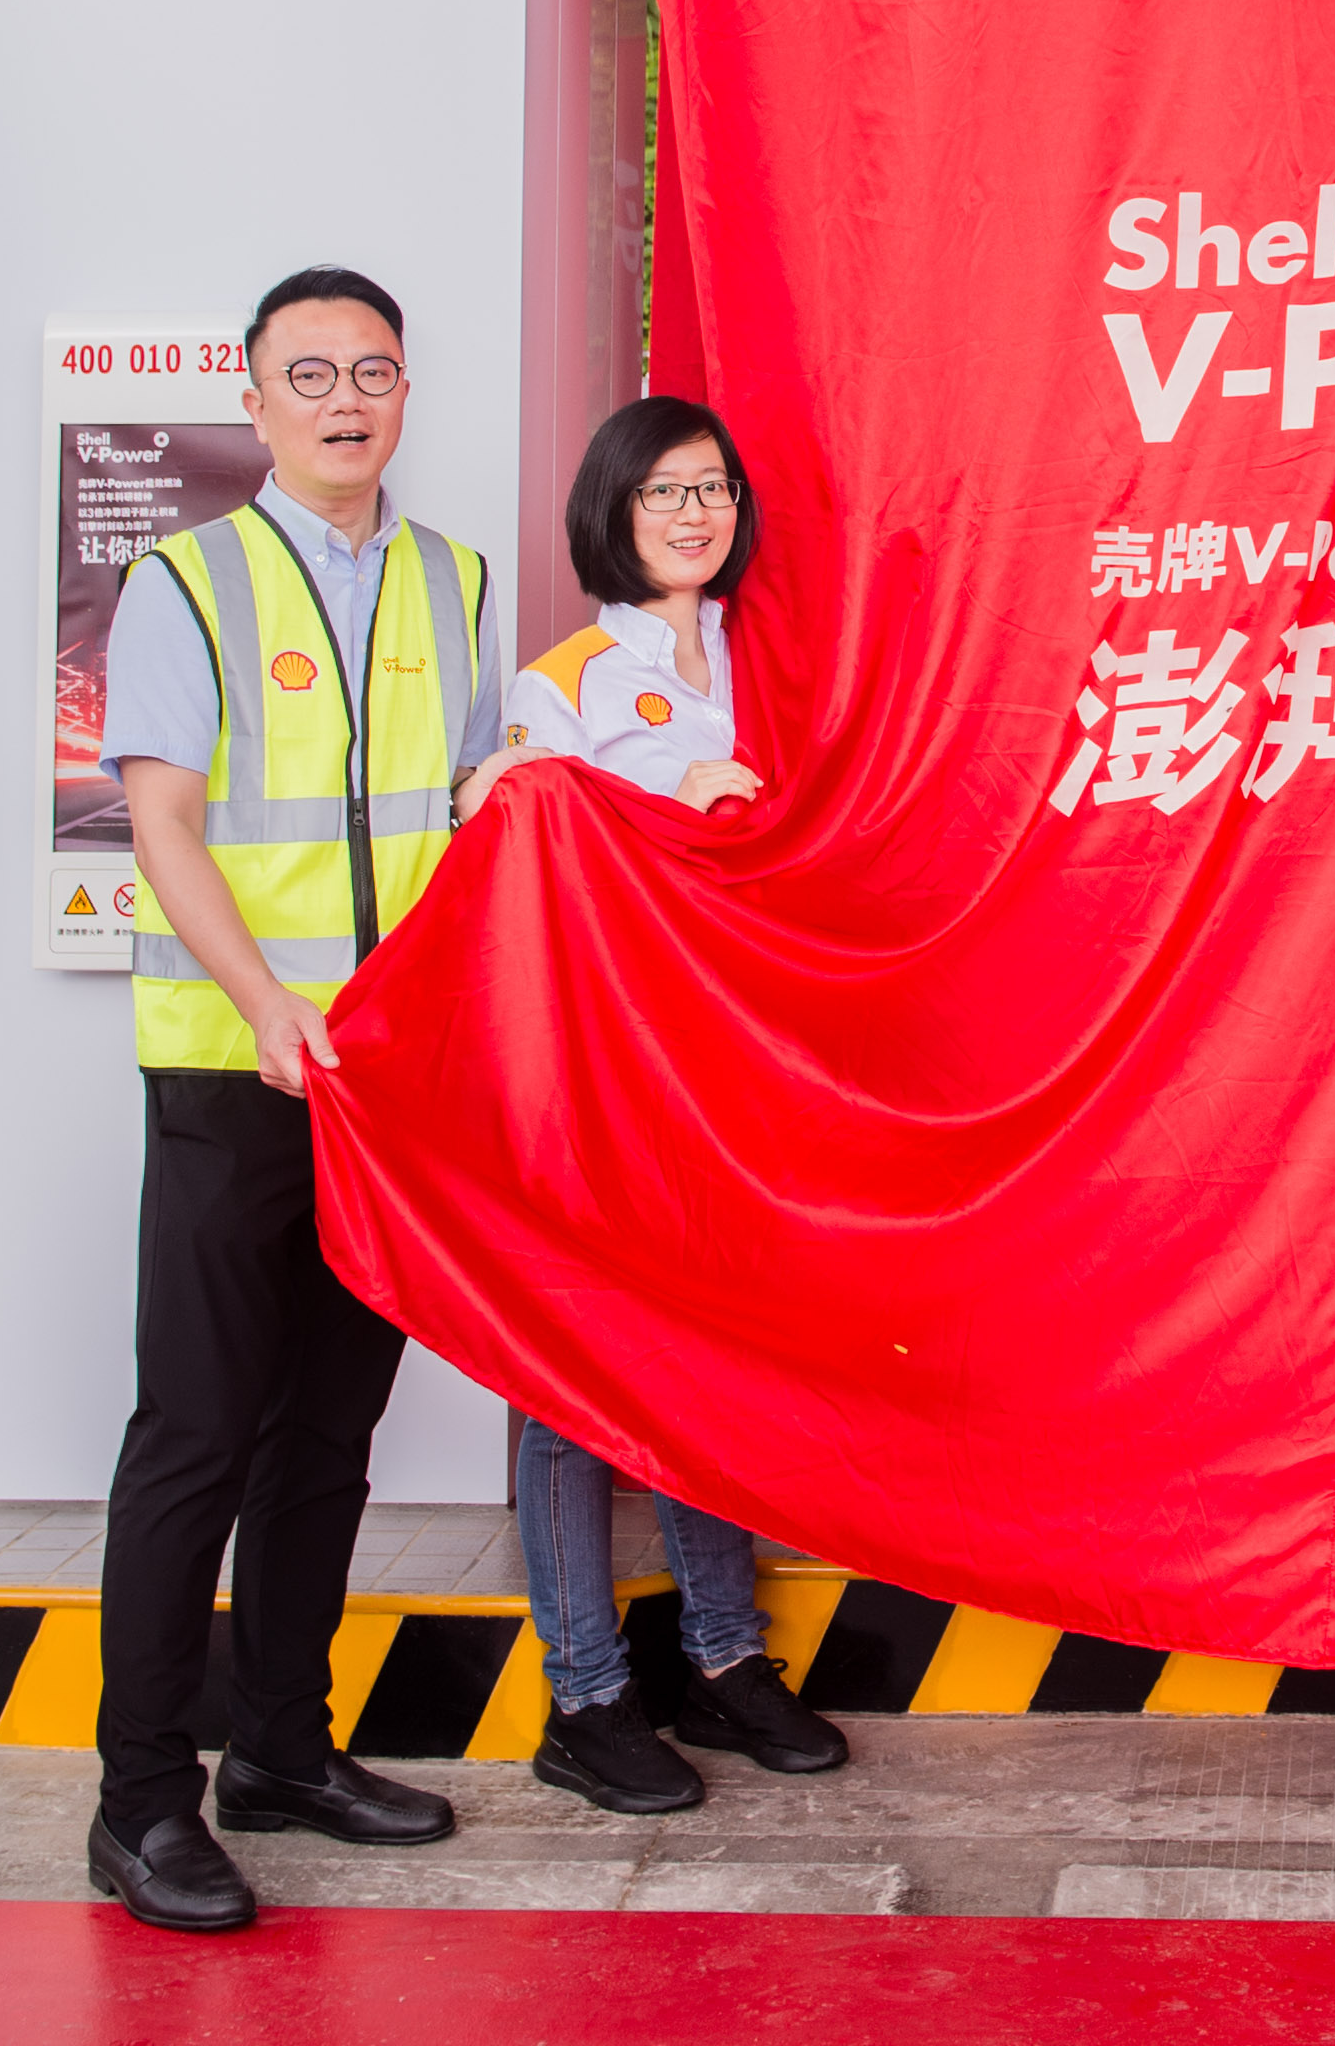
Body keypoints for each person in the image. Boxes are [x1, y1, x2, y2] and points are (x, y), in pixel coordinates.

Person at [85, 265, 500, 1934]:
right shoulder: (184, 581)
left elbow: (471, 809)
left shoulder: (457, 582)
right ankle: (138, 1804)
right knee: (194, 1435)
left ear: (405, 394)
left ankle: (279, 1748)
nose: (346, 400)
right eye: (310, 373)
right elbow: (164, 822)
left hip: (387, 1087)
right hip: (231, 1068)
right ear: (250, 399)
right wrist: (267, 1007)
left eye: (374, 371)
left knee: (327, 1435)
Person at [445, 395, 851, 1810]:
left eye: (714, 487)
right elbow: (510, 837)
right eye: (664, 490)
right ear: (612, 512)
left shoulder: (773, 659)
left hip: (740, 1078)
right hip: (603, 1077)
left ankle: (723, 1659)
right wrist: (655, 802)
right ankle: (587, 1695)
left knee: (711, 1360)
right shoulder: (564, 682)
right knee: (575, 1379)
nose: (694, 512)